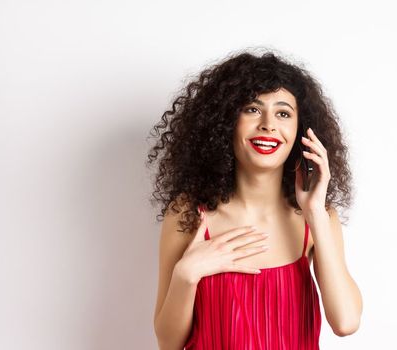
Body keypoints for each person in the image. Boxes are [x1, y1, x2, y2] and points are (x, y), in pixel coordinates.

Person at [149, 49, 362, 349]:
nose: (268, 124)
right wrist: (187, 274)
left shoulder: (317, 220)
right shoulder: (188, 215)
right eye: (252, 109)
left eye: (283, 113)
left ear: (302, 131)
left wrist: (314, 212)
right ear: (225, 122)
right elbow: (168, 343)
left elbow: (346, 322)